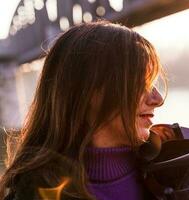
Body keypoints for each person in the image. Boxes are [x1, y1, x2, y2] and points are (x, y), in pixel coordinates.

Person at [0, 20, 166, 200]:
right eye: (141, 84)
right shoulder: (36, 194)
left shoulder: (171, 171)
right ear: (88, 92)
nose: (158, 100)